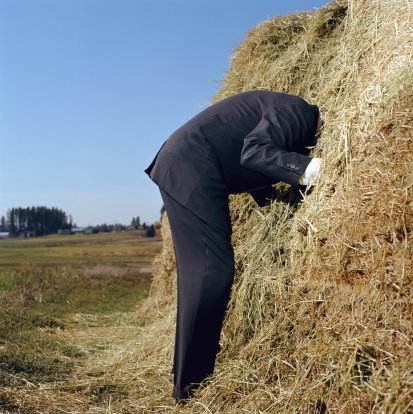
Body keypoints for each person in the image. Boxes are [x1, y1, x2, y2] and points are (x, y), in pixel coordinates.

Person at [144, 90, 323, 403]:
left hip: (183, 161)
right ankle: (193, 386)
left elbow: (241, 147)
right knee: (212, 269)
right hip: (192, 164)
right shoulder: (300, 112)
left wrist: (273, 198)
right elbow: (254, 151)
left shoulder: (278, 111)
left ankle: (185, 380)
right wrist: (315, 171)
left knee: (197, 275)